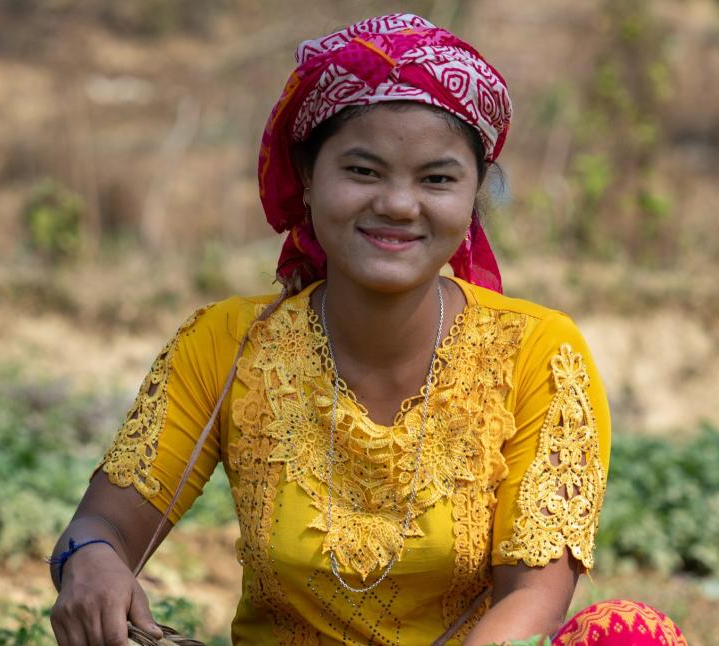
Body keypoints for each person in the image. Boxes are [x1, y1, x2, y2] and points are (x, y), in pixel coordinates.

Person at [49, 14, 647, 645]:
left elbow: (534, 597)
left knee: (629, 634)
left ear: (475, 195)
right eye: (363, 171)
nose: (397, 203)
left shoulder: (537, 352)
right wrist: (91, 562)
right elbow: (101, 528)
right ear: (307, 179)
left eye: (437, 179)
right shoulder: (228, 345)